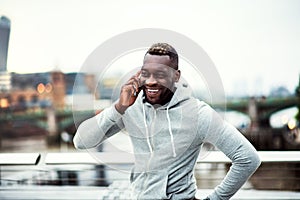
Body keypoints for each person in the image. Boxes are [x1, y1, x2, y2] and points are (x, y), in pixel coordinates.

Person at [73, 43, 261, 200]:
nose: (151, 81)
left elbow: (248, 159)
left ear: (176, 76)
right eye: (146, 73)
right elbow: (81, 142)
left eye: (161, 74)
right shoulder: (130, 106)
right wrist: (118, 108)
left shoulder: (198, 114)